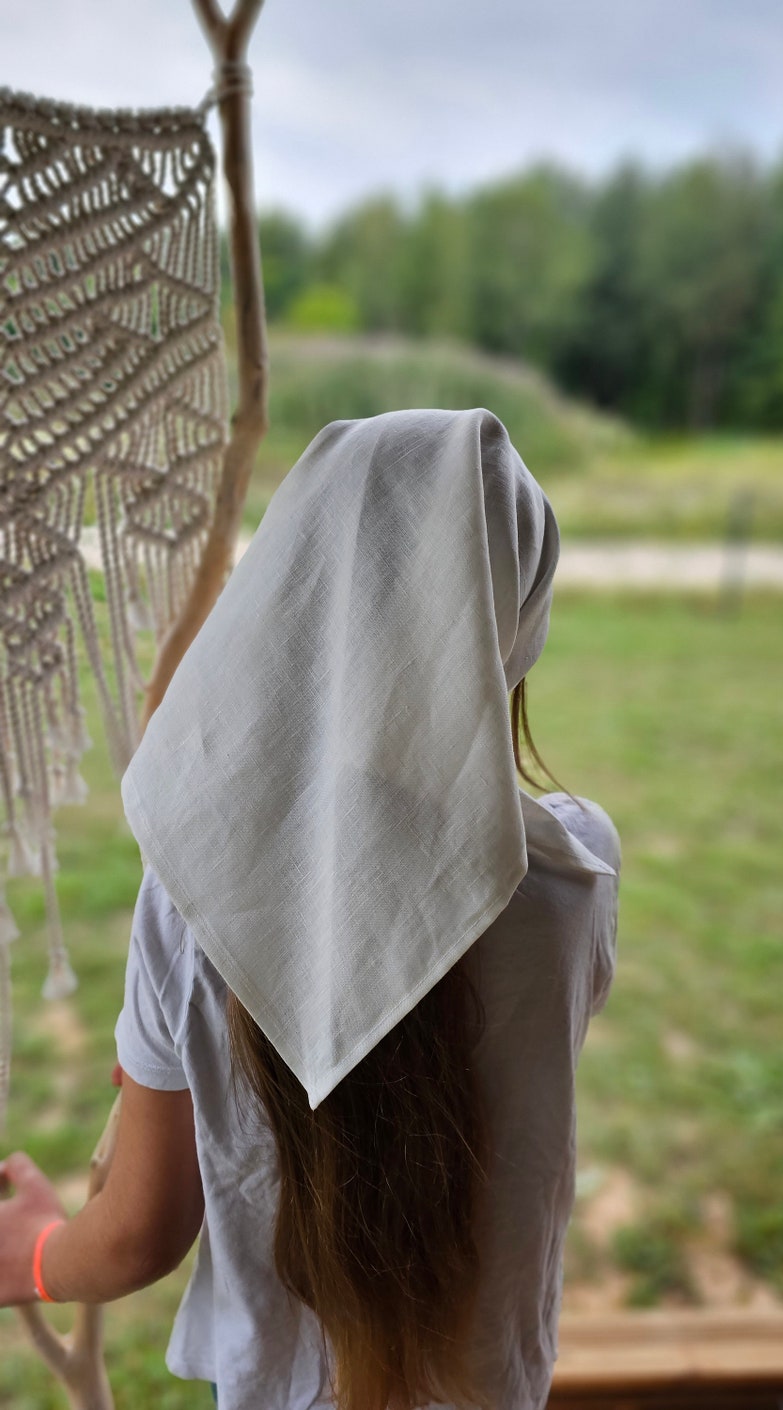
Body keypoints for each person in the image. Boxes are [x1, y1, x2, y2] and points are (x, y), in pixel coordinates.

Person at [0, 408, 620, 1410]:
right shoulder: (575, 876)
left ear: (290, 588)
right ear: (512, 620)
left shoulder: (191, 893)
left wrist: (30, 1257)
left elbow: (136, 1233)